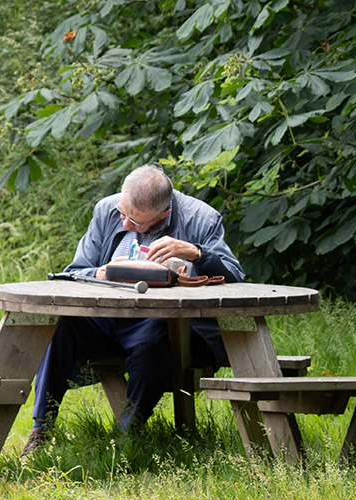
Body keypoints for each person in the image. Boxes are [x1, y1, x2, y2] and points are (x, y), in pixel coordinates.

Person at [22, 163, 245, 456]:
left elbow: (235, 277)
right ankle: (42, 427)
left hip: (163, 323)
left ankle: (129, 433)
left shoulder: (201, 218)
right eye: (123, 214)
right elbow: (75, 270)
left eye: (136, 222)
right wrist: (98, 273)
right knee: (60, 326)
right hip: (107, 319)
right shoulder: (108, 209)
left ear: (165, 214)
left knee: (155, 340)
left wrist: (196, 254)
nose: (125, 223)